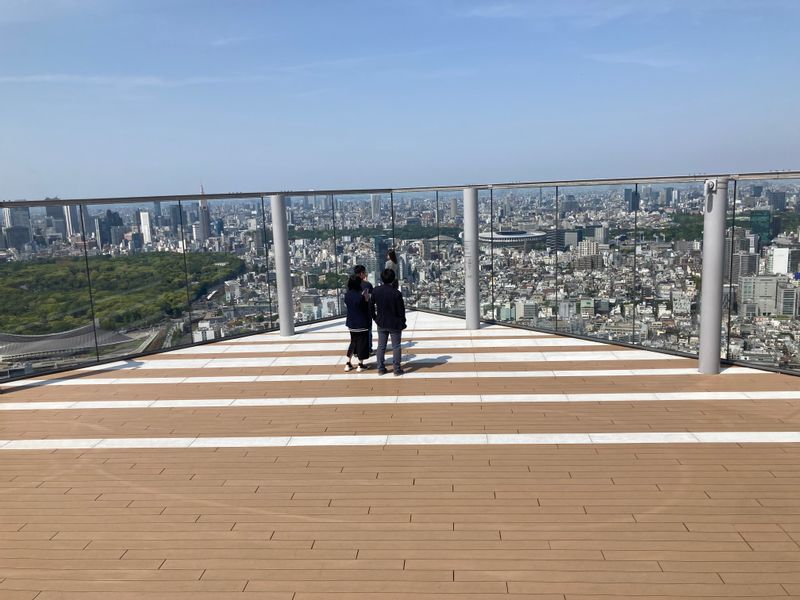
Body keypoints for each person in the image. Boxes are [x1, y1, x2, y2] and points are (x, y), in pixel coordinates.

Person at [370, 268, 406, 376]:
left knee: (381, 346)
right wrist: (402, 321)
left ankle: (381, 368)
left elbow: (370, 305)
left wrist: (375, 318)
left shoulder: (376, 290)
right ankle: (397, 369)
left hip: (381, 322)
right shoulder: (396, 293)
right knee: (396, 346)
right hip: (394, 323)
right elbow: (401, 310)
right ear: (393, 279)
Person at [343, 274, 370, 372]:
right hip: (361, 323)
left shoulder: (347, 295)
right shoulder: (361, 296)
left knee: (353, 342)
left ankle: (348, 363)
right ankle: (360, 364)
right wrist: (366, 299)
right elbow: (365, 308)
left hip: (351, 323)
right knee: (362, 344)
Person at [353, 265, 374, 353]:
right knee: (368, 331)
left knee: (355, 332)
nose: (365, 274)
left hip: (355, 311)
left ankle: (356, 350)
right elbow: (372, 297)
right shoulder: (367, 285)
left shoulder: (351, 284)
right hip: (366, 311)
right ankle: (368, 349)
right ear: (361, 273)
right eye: (364, 272)